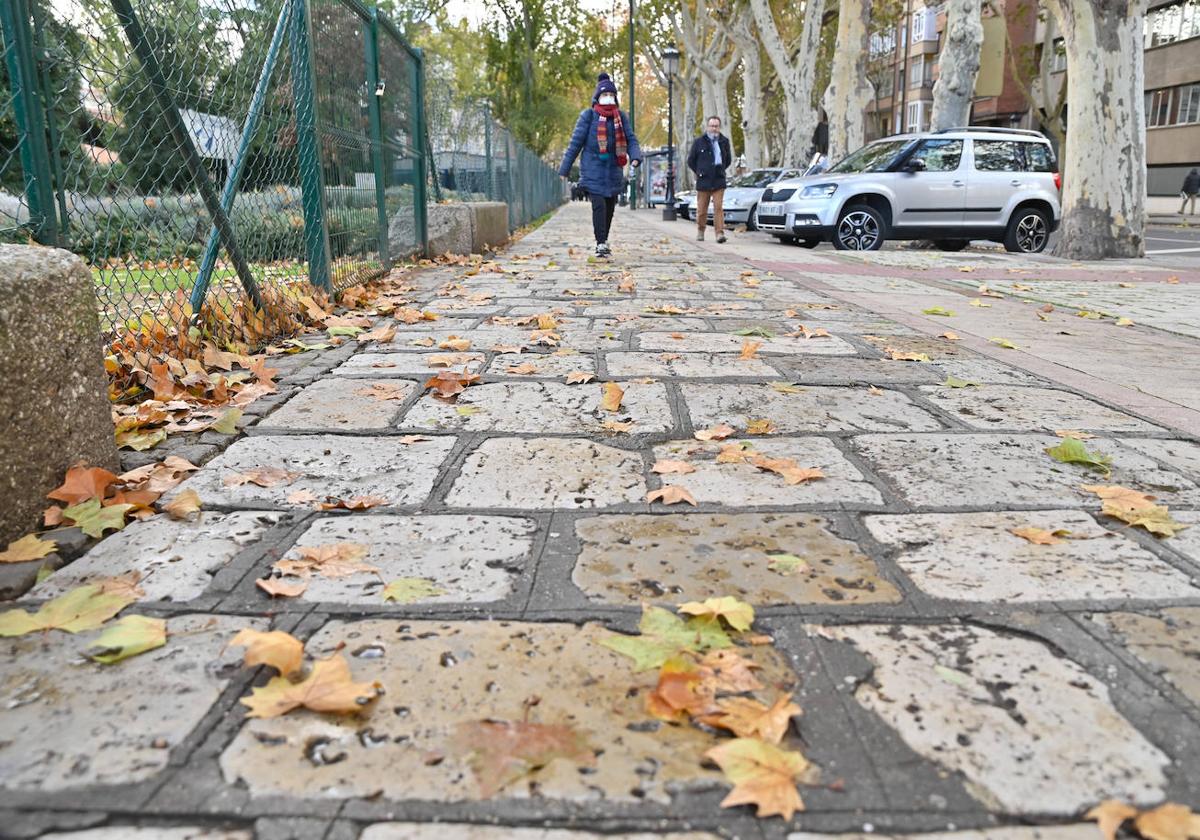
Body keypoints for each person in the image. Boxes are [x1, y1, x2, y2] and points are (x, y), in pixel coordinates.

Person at [559, 73, 642, 258]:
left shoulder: (621, 117)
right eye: (605, 95)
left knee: (610, 207)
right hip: (592, 170)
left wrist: (635, 157)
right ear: (597, 97)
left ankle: (603, 239)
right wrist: (564, 169)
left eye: (612, 95)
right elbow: (575, 144)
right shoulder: (588, 116)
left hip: (613, 170)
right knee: (599, 206)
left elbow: (631, 139)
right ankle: (601, 243)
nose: (608, 98)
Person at [687, 115, 733, 243]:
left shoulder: (724, 141)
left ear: (719, 127)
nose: (714, 128)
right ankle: (701, 230)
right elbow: (691, 160)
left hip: (718, 180)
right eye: (712, 126)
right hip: (704, 180)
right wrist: (700, 171)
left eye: (716, 126)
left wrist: (721, 169)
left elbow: (728, 160)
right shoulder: (699, 142)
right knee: (702, 209)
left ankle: (719, 233)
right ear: (707, 127)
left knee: (718, 207)